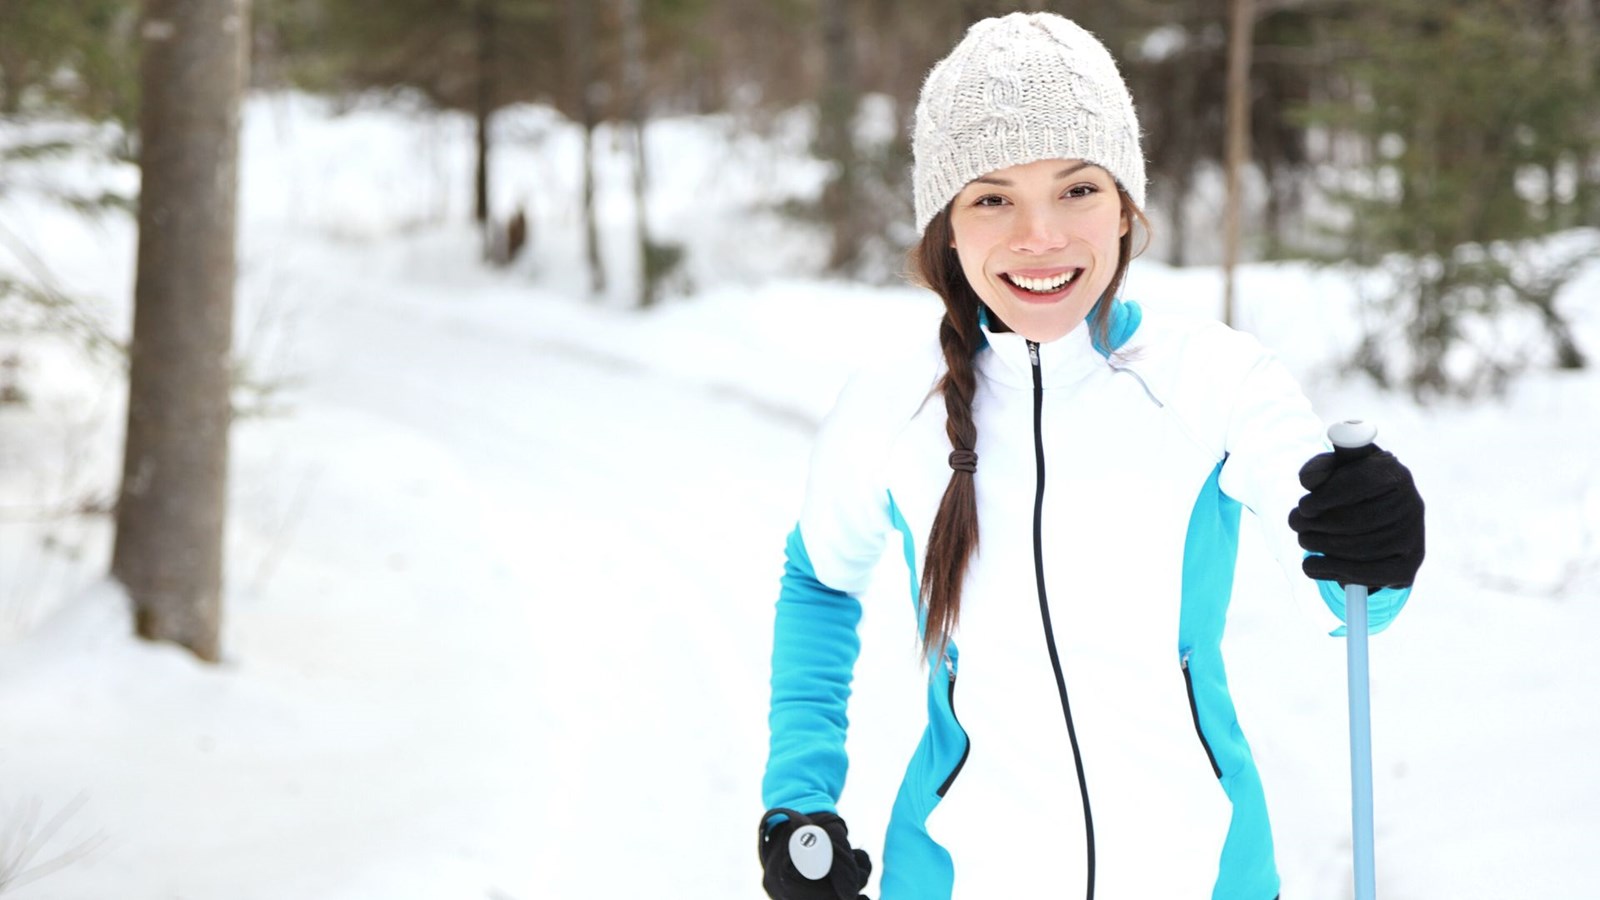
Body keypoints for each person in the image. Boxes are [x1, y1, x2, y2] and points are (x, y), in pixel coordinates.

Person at [757, 12, 1425, 900]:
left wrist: (1374, 540)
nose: (1041, 238)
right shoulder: (891, 405)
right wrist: (796, 802)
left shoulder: (1212, 380)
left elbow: (1347, 602)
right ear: (947, 228)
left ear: (1124, 206)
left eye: (1077, 191)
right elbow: (821, 580)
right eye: (993, 198)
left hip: (1202, 878)